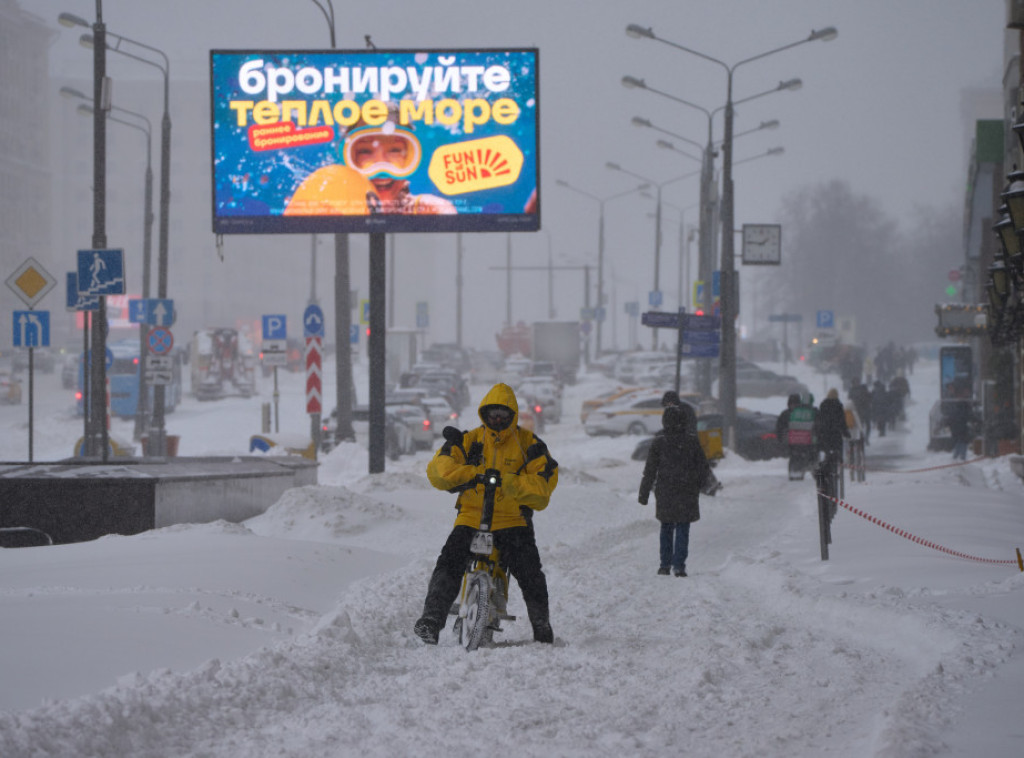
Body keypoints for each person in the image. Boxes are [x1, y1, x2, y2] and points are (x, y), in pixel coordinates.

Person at [414, 382, 558, 645]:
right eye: (493, 414)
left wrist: (509, 481)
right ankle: (432, 619)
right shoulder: (468, 441)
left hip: (513, 521)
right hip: (471, 517)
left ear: (513, 415)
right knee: (449, 561)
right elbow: (439, 470)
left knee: (530, 573)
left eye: (504, 415)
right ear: (484, 414)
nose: (498, 420)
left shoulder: (531, 445)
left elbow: (542, 488)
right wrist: (471, 474)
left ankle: (541, 626)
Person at [637, 404, 714, 577]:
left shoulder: (659, 442)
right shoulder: (691, 441)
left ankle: (664, 564)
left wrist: (644, 493)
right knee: (682, 527)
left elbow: (650, 470)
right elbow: (703, 467)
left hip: (666, 489)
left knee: (666, 526)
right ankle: (679, 565)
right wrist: (701, 485)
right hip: (687, 489)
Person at [341, 104, 456, 215]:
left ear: (409, 157)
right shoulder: (338, 210)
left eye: (394, 150)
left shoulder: (431, 210)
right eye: (365, 152)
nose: (381, 167)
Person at [815, 388, 851, 469]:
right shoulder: (838, 405)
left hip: (825, 433)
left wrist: (819, 431)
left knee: (826, 448)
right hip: (835, 432)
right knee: (838, 446)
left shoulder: (823, 404)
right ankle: (839, 461)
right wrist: (845, 432)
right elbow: (842, 421)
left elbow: (820, 419)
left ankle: (827, 459)